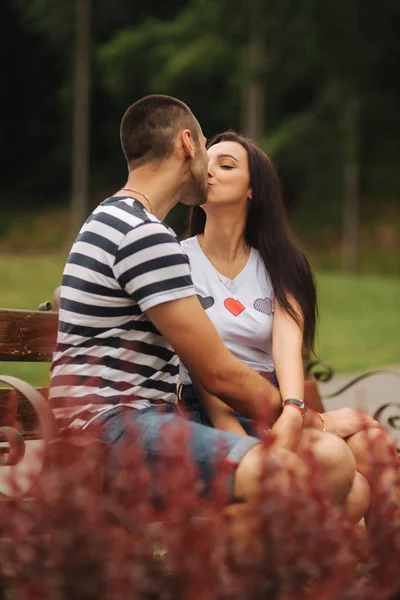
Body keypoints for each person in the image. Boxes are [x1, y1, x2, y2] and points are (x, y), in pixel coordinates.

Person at [49, 95, 358, 525]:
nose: (210, 168)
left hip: (124, 424)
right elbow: (218, 373)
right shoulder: (145, 235)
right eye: (208, 151)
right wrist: (302, 416)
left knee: (330, 464)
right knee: (313, 471)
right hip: (115, 430)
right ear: (188, 145)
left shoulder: (111, 218)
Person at [179, 130, 399, 522]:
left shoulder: (282, 264)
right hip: (207, 406)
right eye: (205, 163)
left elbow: (286, 350)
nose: (209, 171)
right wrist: (255, 438)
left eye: (226, 165)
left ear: (253, 190)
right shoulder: (178, 261)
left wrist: (296, 414)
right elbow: (199, 365)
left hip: (270, 405)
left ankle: (382, 567)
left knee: (372, 446)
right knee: (354, 489)